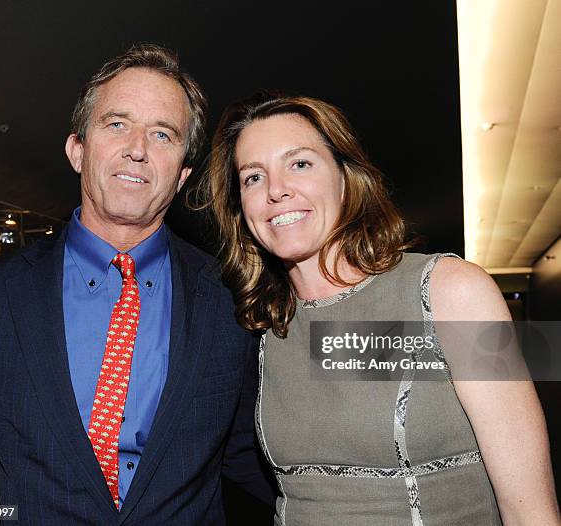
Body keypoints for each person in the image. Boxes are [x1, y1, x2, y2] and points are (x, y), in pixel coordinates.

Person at [0, 44, 274, 524]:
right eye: (117, 124)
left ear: (183, 173)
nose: (138, 148)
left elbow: (254, 456)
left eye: (163, 134)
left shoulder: (232, 297)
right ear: (77, 150)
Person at [203, 92, 560, 525]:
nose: (277, 190)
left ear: (344, 177)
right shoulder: (263, 327)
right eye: (253, 177)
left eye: (300, 164)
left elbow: (531, 510)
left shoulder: (450, 293)